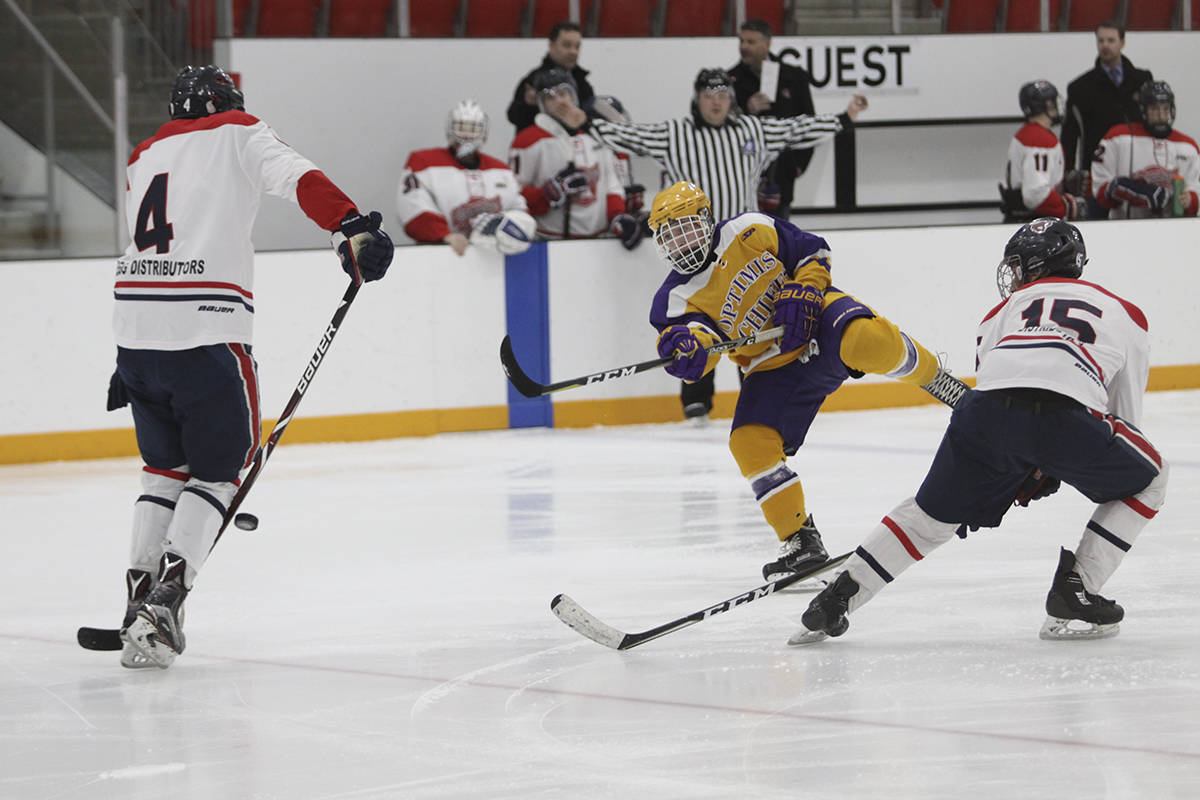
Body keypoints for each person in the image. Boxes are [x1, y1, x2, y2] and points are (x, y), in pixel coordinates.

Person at [110, 65, 394, 669]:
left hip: (135, 335)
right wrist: (351, 228)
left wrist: (134, 347)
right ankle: (167, 602)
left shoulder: (143, 154)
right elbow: (300, 179)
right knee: (218, 475)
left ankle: (137, 596)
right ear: (227, 102)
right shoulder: (239, 130)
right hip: (206, 333)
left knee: (163, 471)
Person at [794, 218, 1168, 645]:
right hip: (1066, 415)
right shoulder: (1127, 312)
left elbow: (1002, 388)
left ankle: (839, 596)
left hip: (980, 415)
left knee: (928, 517)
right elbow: (1121, 419)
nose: (1014, 276)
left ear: (1041, 264)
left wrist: (988, 486)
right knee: (1151, 479)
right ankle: (1077, 588)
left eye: (1019, 265)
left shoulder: (997, 314)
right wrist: (1053, 463)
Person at [647, 181, 966, 584]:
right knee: (748, 441)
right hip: (769, 364)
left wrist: (805, 288)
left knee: (867, 339)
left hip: (817, 320)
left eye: (686, 227)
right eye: (669, 235)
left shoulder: (748, 228)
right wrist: (692, 349)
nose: (680, 241)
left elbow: (812, 249)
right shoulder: (672, 300)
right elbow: (700, 345)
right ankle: (799, 540)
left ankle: (940, 381)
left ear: (706, 219)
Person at [586, 67, 865, 421]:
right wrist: (585, 124)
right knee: (699, 319)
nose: (715, 102)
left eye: (722, 95)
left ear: (730, 99)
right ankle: (696, 398)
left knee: (753, 318)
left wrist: (843, 118)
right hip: (695, 251)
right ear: (697, 98)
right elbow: (631, 136)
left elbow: (794, 129)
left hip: (748, 245)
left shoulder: (751, 129)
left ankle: (757, 388)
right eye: (708, 94)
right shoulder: (676, 134)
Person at [509, 68, 634, 242]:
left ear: (573, 96)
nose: (559, 101)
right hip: (549, 241)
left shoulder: (595, 135)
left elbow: (611, 185)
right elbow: (513, 195)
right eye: (550, 98)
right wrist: (548, 194)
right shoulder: (527, 140)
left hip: (601, 241)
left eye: (563, 93)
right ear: (541, 104)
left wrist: (618, 216)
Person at [397, 99, 531, 256]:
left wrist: (505, 234)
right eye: (461, 128)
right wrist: (444, 235)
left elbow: (520, 212)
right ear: (450, 129)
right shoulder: (423, 163)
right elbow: (413, 208)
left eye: (473, 129)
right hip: (441, 254)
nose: (467, 136)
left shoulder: (501, 170)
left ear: (483, 132)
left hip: (492, 256)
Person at [728, 18, 817, 218]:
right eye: (741, 41)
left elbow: (809, 123)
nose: (744, 47)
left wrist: (798, 164)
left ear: (767, 44)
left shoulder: (794, 77)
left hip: (780, 175)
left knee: (779, 239)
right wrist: (745, 110)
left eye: (750, 42)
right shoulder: (730, 80)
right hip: (741, 174)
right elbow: (721, 127)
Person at [1090, 80, 1199, 219]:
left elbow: (1196, 187)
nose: (1160, 115)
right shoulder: (1117, 137)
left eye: (1165, 109)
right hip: (1125, 227)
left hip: (1175, 228)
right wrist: (1124, 190)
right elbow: (1099, 187)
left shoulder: (1189, 147)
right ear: (1143, 110)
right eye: (1154, 109)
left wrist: (1191, 200)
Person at [1060, 21, 1153, 174]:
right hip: (1097, 168)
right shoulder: (1079, 88)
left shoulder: (1143, 80)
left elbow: (1153, 123)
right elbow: (1069, 137)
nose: (1105, 45)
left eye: (1111, 40)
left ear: (1122, 43)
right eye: (1101, 40)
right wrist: (1067, 173)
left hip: (1138, 165)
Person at [1000, 80, 1088, 223]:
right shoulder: (1039, 140)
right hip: (1032, 223)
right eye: (1053, 103)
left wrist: (1062, 184)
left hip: (1021, 219)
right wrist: (1067, 207)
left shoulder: (1028, 134)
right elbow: (1035, 194)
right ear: (1047, 105)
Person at [507, 20, 595, 133]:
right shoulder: (533, 80)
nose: (573, 52)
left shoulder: (582, 82)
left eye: (577, 47)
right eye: (567, 45)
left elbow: (590, 120)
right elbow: (514, 118)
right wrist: (529, 106)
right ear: (551, 46)